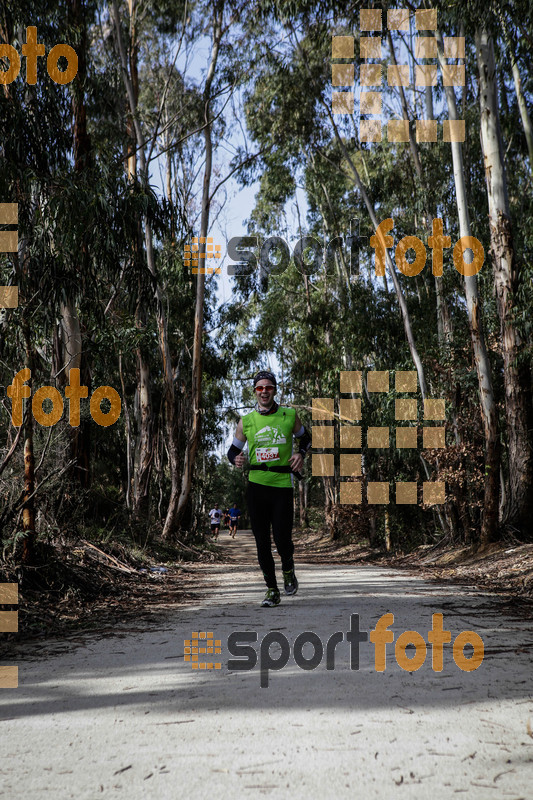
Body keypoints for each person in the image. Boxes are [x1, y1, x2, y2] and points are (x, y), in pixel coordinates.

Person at [227, 370, 311, 607]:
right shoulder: (247, 421)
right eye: (259, 388)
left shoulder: (289, 415)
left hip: (282, 486)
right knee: (262, 541)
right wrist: (236, 460)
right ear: (254, 392)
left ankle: (288, 568)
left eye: (268, 387)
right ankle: (272, 590)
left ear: (275, 389)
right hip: (256, 486)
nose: (264, 391)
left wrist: (300, 455)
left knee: (283, 539)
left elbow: (306, 438)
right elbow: (232, 450)